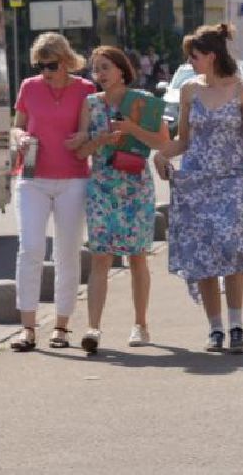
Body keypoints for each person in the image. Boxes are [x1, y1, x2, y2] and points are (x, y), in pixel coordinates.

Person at [129, 22, 243, 353]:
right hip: (196, 183)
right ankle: (215, 328)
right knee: (203, 257)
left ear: (212, 56)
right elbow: (183, 141)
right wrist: (162, 154)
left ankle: (236, 325)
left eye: (195, 56)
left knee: (233, 250)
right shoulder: (189, 90)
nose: (190, 62)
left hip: (233, 180)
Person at [76, 46, 168, 354]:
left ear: (121, 70)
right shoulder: (90, 104)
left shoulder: (143, 101)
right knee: (100, 257)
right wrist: (100, 140)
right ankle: (93, 328)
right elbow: (80, 152)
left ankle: (140, 324)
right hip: (102, 186)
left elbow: (163, 143)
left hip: (135, 185)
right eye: (95, 69)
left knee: (138, 256)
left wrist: (131, 129)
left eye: (105, 67)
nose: (99, 74)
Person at [9, 32, 95, 352]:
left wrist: (82, 137)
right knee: (30, 248)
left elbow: (88, 130)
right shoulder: (29, 88)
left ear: (66, 61)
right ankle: (27, 328)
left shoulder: (85, 90)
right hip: (33, 177)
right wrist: (20, 137)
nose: (46, 71)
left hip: (73, 178)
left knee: (67, 252)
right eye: (40, 65)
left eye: (52, 65)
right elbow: (17, 125)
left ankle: (61, 325)